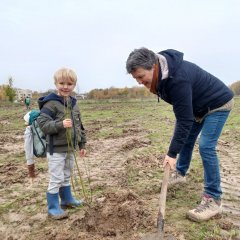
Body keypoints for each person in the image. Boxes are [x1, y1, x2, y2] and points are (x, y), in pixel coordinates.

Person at [126, 47, 234, 222]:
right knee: (186, 139)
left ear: (153, 66)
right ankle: (181, 173)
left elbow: (184, 120)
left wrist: (171, 154)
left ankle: (214, 199)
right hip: (198, 107)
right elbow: (183, 116)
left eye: (140, 77)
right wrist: (176, 147)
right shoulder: (162, 75)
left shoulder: (177, 79)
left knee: (206, 146)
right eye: (135, 78)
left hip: (218, 103)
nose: (139, 82)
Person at [37, 67, 87, 220]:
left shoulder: (73, 104)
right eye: (62, 83)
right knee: (56, 178)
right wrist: (60, 124)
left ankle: (67, 200)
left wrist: (82, 145)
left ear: (74, 85)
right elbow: (43, 124)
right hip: (56, 149)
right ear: (55, 83)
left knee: (66, 175)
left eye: (70, 84)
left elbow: (79, 126)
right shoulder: (50, 104)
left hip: (70, 149)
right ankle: (53, 208)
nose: (66, 87)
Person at [23, 111, 37, 180]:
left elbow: (28, 148)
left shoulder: (29, 129)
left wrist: (30, 164)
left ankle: (32, 175)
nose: (25, 123)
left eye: (26, 121)